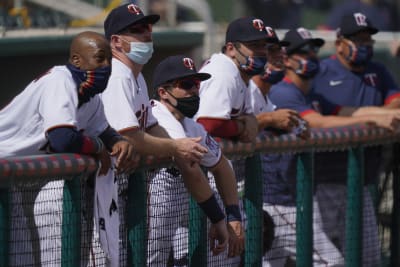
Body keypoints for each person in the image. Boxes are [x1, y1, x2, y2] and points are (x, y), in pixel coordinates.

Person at [100, 4, 229, 265]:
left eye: (149, 28)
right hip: (66, 185)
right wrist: (175, 148)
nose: (147, 34)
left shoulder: (135, 79)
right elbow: (130, 137)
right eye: (137, 30)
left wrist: (177, 146)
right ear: (116, 41)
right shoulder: (117, 75)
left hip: (103, 191)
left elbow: (147, 129)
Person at [265, 27, 400, 266]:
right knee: (331, 262)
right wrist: (369, 121)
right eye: (303, 52)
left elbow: (346, 111)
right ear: (286, 59)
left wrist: (378, 116)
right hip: (275, 198)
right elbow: (316, 122)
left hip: (295, 195)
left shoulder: (309, 93)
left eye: (313, 51)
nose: (311, 58)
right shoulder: (283, 91)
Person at [0, 31, 135, 266]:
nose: (107, 66)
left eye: (109, 61)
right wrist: (98, 147)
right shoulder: (60, 80)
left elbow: (103, 130)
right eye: (100, 58)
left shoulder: (91, 97)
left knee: (19, 259)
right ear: (76, 60)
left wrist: (118, 141)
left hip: (6, 178)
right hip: (4, 167)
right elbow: (62, 138)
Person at [311, 12, 400, 266]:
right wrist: (373, 117)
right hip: (324, 180)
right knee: (329, 259)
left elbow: (396, 102)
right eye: (357, 40)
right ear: (340, 43)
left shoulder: (378, 71)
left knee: (367, 257)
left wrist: (373, 116)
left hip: (363, 180)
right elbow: (322, 113)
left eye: (367, 40)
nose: (364, 45)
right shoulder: (323, 70)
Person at [147, 54, 245, 266]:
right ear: (163, 92)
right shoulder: (156, 114)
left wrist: (233, 216)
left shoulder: (190, 125)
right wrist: (218, 218)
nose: (194, 90)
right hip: (125, 210)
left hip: (163, 216)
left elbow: (222, 166)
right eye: (187, 84)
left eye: (197, 84)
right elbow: (191, 169)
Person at [194, 16, 266, 266]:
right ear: (231, 48)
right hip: (181, 175)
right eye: (254, 45)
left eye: (263, 45)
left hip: (204, 173)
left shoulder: (239, 75)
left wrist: (248, 122)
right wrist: (240, 127)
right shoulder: (224, 71)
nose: (261, 51)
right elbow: (208, 124)